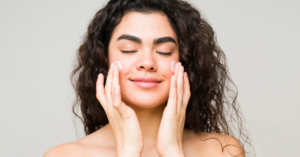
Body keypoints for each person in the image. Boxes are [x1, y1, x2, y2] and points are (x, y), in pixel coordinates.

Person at [44, 0, 253, 156]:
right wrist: (128, 151)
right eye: (129, 49)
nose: (147, 62)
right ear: (104, 60)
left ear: (185, 62)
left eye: (163, 50)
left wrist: (172, 150)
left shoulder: (222, 151)